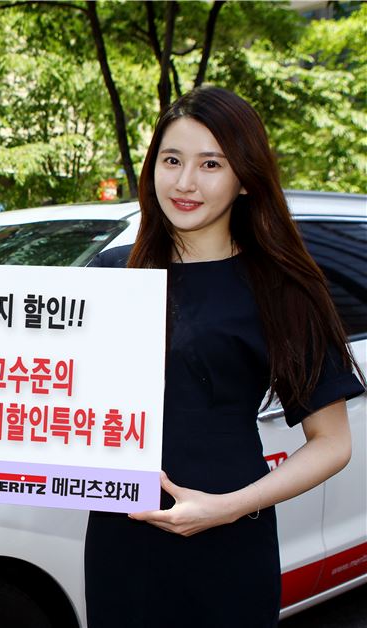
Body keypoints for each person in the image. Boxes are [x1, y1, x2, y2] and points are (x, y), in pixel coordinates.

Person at [84, 86, 364, 627]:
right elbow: (54, 398)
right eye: (172, 160)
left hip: (230, 538)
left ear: (245, 179)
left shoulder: (282, 288)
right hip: (121, 539)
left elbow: (332, 443)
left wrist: (227, 508)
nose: (185, 182)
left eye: (210, 164)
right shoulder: (113, 274)